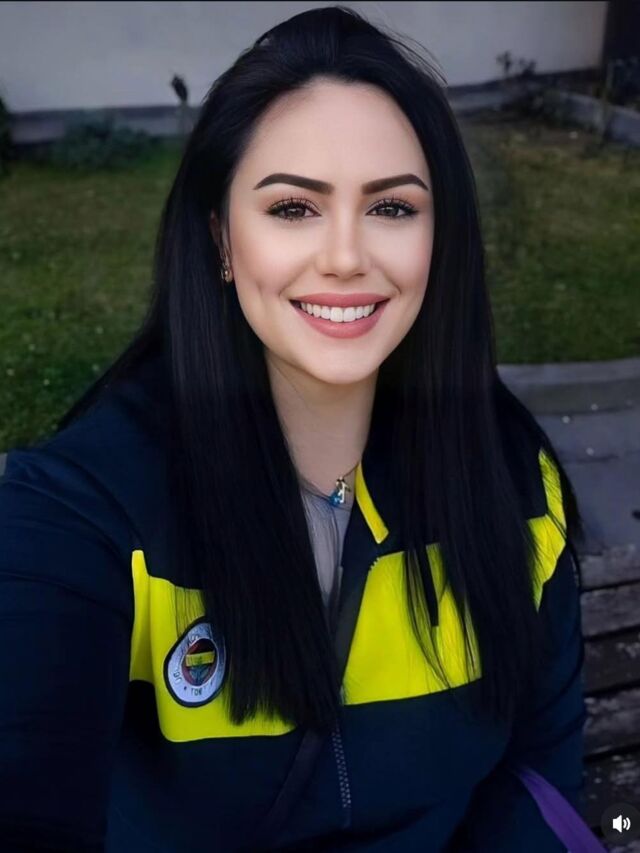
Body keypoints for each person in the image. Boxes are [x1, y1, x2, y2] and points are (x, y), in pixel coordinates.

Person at [0, 5, 588, 851]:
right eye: (292, 208)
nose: (345, 256)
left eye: (393, 208)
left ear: (441, 236)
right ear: (222, 239)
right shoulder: (86, 511)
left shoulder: (512, 481)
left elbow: (539, 771)